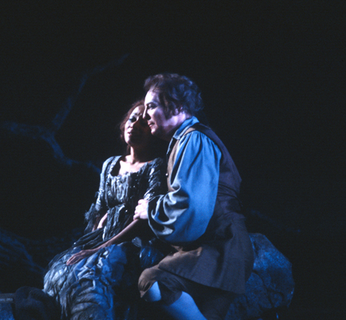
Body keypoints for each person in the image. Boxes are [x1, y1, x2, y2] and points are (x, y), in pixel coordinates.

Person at [133, 73, 254, 320]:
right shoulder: (184, 140)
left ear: (177, 106)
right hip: (219, 247)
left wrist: (150, 209)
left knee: (154, 281)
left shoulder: (194, 139)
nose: (145, 116)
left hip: (221, 248)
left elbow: (190, 207)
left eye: (151, 106)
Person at [40, 100, 170, 320]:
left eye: (143, 123)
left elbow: (143, 218)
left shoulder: (154, 165)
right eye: (131, 119)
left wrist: (102, 247)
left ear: (153, 132)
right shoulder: (110, 164)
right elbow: (99, 207)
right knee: (60, 272)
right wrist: (94, 232)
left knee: (92, 279)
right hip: (101, 238)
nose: (134, 126)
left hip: (131, 244)